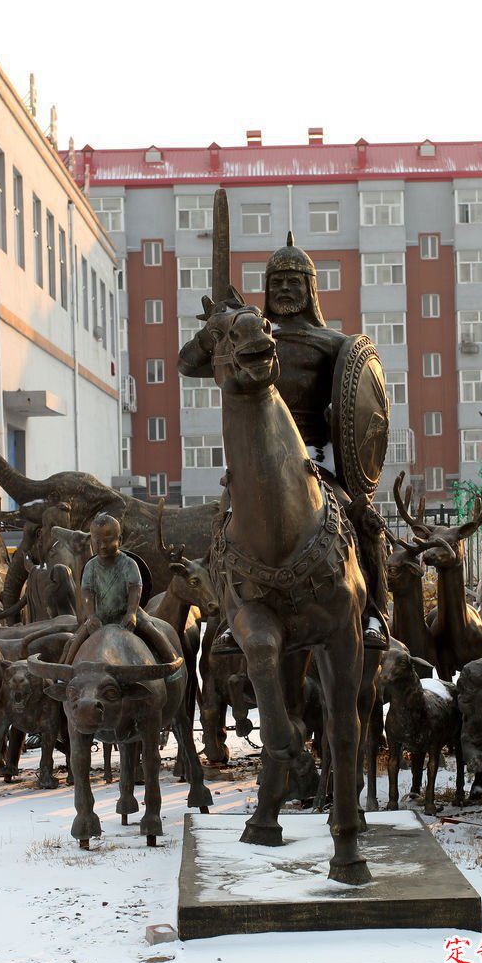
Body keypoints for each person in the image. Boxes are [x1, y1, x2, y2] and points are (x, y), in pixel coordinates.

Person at [178, 233, 389, 652]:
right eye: (277, 281)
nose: (285, 288)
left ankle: (374, 614)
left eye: (295, 281)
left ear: (311, 289)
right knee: (223, 528)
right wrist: (216, 329)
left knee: (365, 523)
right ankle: (228, 615)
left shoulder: (333, 344)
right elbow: (187, 364)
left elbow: (360, 407)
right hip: (257, 459)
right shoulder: (252, 338)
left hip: (316, 458)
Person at [61, 513, 175, 666]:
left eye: (108, 541)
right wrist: (91, 616)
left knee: (154, 633)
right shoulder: (91, 566)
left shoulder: (129, 564)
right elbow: (87, 592)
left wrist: (132, 612)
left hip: (126, 613)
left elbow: (135, 587)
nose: (102, 546)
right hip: (100, 615)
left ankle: (172, 665)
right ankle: (64, 673)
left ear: (119, 540)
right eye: (98, 541)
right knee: (74, 643)